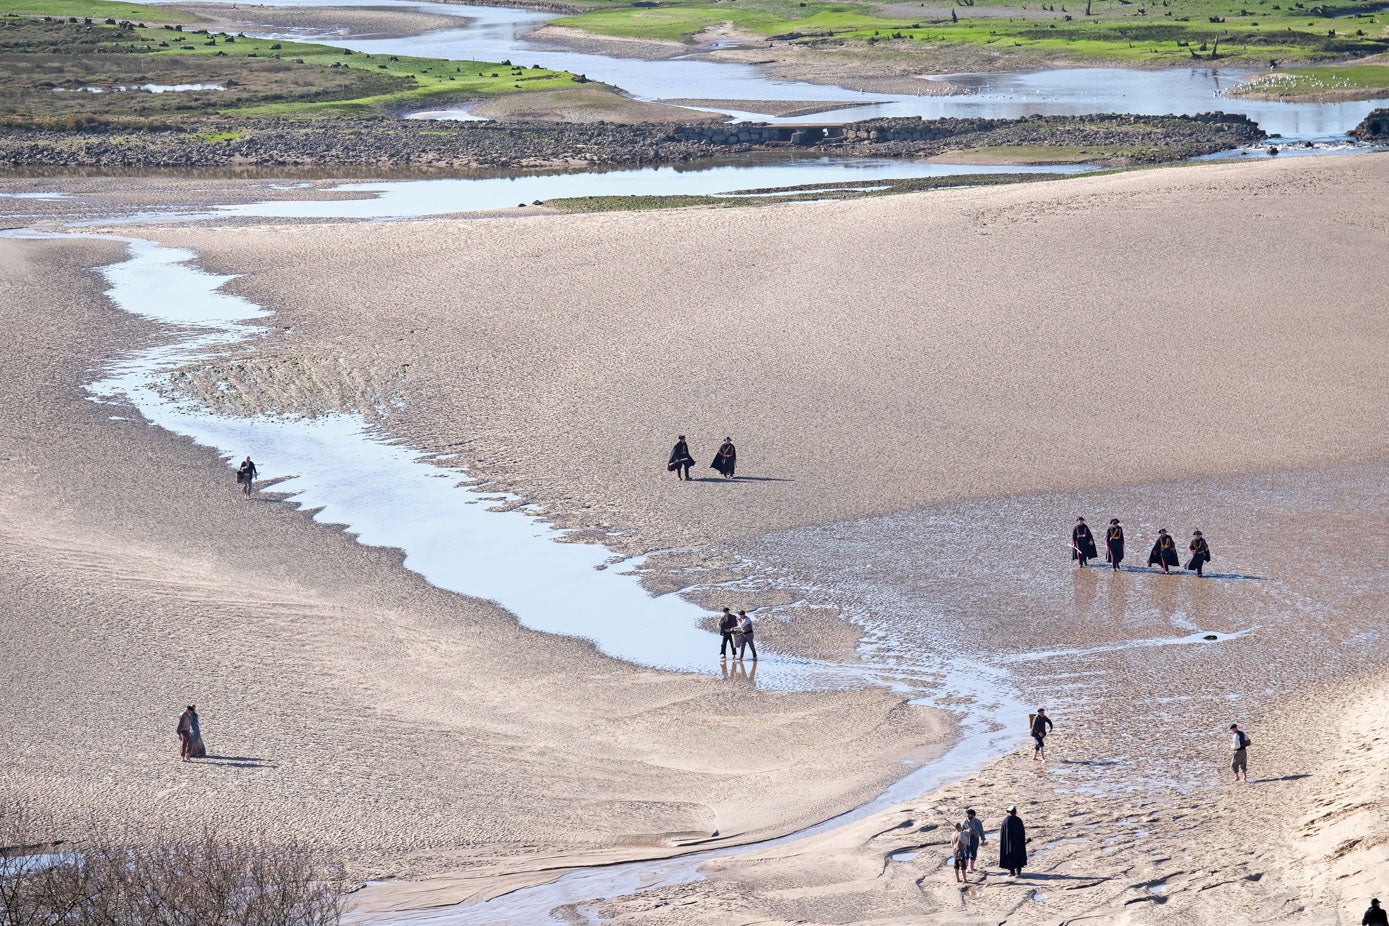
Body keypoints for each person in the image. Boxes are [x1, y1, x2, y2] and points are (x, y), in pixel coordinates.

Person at [999, 806, 1027, 877]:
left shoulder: (1006, 820)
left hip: (1011, 844)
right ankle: (1016, 872)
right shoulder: (1017, 820)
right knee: (1016, 857)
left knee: (1012, 857)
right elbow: (1022, 832)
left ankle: (1013, 872)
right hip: (1017, 843)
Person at [964, 808, 986, 873]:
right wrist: (966, 831)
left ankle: (972, 867)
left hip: (975, 839)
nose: (967, 815)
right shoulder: (964, 822)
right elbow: (961, 831)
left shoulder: (978, 822)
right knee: (966, 853)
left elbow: (981, 831)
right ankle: (965, 868)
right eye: (967, 814)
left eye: (969, 814)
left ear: (973, 815)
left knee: (974, 853)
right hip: (967, 839)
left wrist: (983, 839)